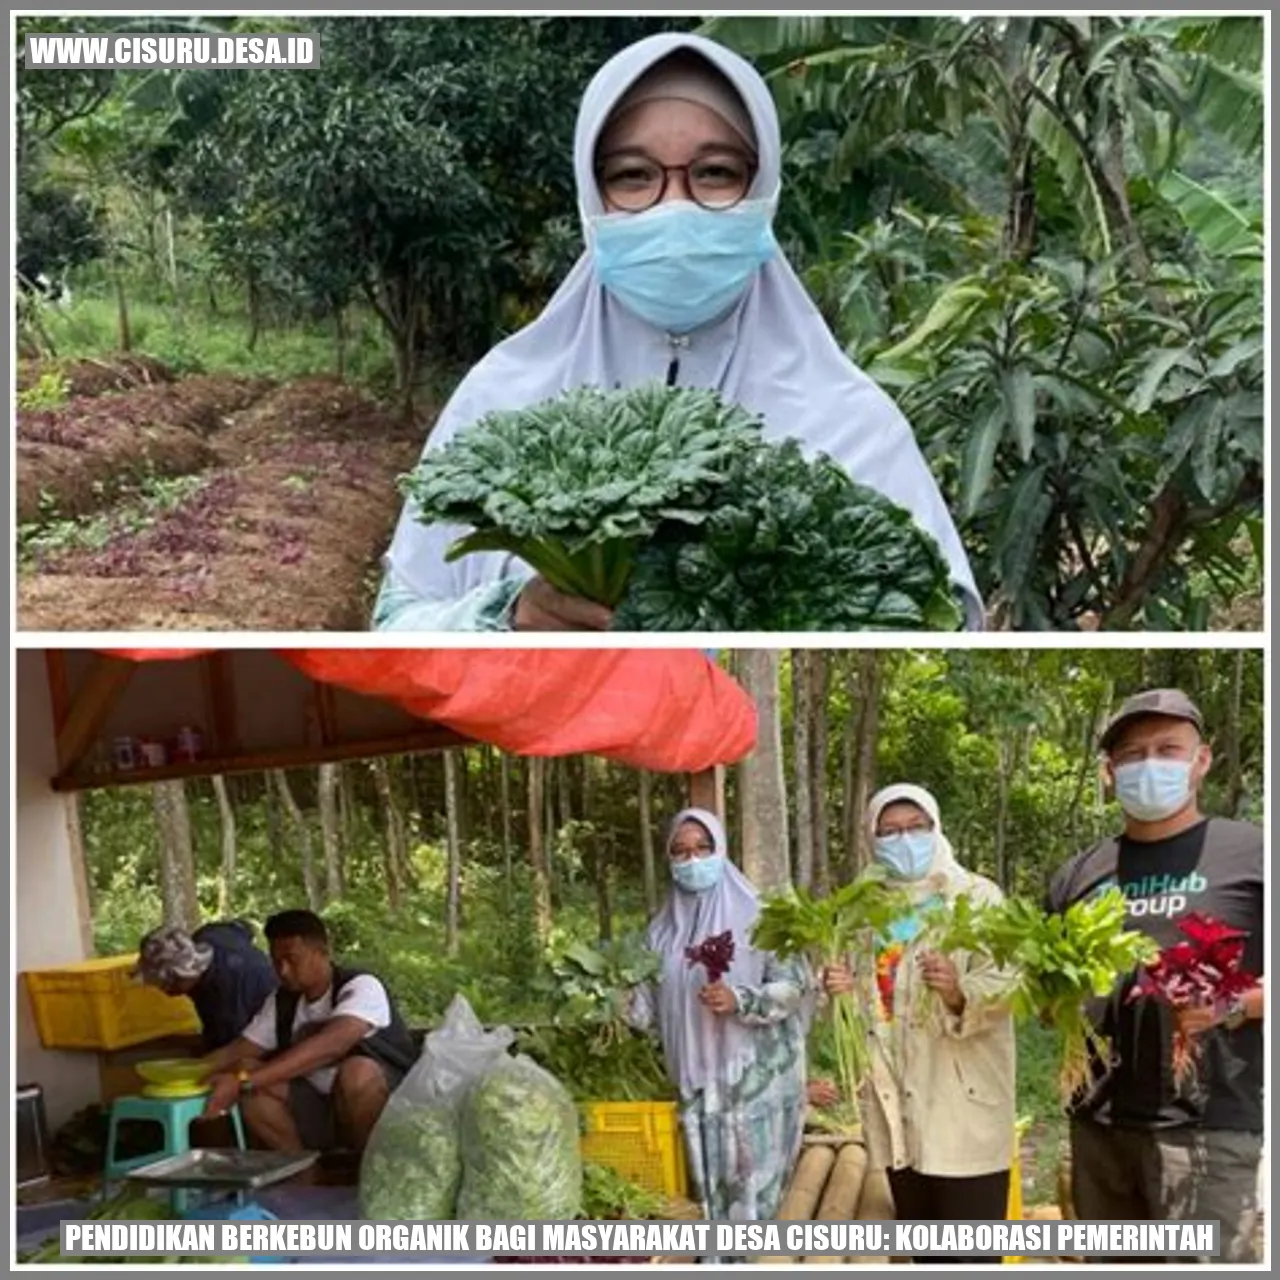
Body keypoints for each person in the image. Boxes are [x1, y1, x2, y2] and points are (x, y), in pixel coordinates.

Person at [374, 31, 981, 632]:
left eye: (715, 173)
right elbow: (398, 621)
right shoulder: (500, 401)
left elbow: (938, 616)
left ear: (763, 186)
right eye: (633, 176)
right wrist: (508, 615)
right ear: (592, 196)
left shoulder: (852, 425)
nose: (675, 206)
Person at [1046, 689, 1264, 1264]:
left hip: (1208, 1127)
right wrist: (1053, 1003)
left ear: (1202, 759)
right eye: (1133, 754)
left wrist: (1232, 1006)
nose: (1150, 765)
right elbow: (1050, 992)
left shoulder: (1251, 855)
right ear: (1110, 773)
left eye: (1168, 749)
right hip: (1098, 1124)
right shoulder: (1080, 872)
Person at [823, 784, 1016, 1264]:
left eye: (915, 828)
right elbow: (872, 1007)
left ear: (935, 829)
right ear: (872, 839)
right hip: (897, 1109)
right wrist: (842, 989)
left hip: (961, 1105)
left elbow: (1009, 983)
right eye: (889, 832)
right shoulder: (863, 912)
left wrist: (957, 991)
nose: (903, 839)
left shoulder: (975, 896)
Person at [629, 808, 811, 1248]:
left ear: (720, 850)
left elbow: (796, 986)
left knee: (753, 1197)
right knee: (709, 1195)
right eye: (681, 852)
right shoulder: (659, 932)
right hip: (695, 1084)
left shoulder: (762, 917)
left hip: (754, 1083)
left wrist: (742, 998)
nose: (692, 861)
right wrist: (613, 994)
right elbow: (645, 1013)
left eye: (702, 849)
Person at [200, 910, 417, 1155]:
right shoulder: (283, 1000)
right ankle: (303, 1173)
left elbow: (332, 1045)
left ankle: (369, 1171)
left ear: (323, 952)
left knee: (357, 1072)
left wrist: (244, 1081)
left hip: (387, 1107)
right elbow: (241, 1048)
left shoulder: (361, 986)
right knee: (246, 1067)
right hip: (319, 1106)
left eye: (292, 959)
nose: (282, 970)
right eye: (276, 961)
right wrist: (187, 1072)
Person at [134, 920, 278, 1054]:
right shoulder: (210, 935)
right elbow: (244, 927)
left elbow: (239, 1048)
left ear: (183, 977)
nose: (166, 991)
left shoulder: (229, 999)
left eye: (168, 985)